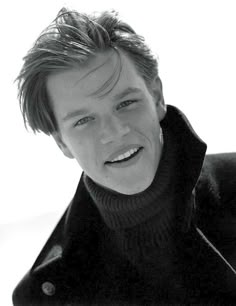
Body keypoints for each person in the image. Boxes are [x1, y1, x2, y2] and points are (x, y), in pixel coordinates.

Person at [13, 7, 236, 305]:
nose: (115, 132)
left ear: (156, 98)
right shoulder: (46, 294)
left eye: (126, 103)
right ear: (62, 143)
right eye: (83, 121)